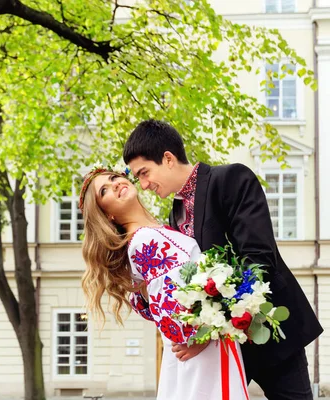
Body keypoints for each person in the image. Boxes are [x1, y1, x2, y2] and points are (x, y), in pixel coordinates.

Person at [123, 119, 323, 400]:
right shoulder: (175, 213)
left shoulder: (230, 179)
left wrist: (207, 334)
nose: (143, 185)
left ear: (168, 159)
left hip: (269, 336)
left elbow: (258, 260)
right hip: (225, 352)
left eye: (144, 173)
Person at [80, 166, 249, 400]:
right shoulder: (144, 240)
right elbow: (167, 311)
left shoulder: (155, 232)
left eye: (114, 178)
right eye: (105, 191)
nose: (115, 184)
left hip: (202, 347)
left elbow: (152, 305)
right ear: (107, 214)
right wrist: (201, 336)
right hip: (201, 350)